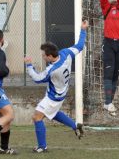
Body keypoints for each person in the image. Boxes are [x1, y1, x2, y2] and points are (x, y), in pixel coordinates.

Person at [24, 20, 88, 153]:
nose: (42, 57)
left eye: (43, 55)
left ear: (50, 56)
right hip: (61, 93)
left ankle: (42, 147)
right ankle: (75, 126)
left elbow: (37, 78)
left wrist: (29, 65)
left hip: (53, 97)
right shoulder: (66, 53)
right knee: (52, 113)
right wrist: (83, 29)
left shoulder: (52, 69)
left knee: (37, 117)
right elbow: (80, 46)